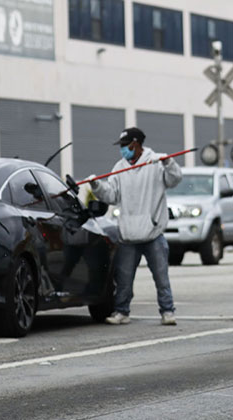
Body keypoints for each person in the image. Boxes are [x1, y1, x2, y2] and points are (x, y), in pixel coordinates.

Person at [90, 127, 182, 326]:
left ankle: (167, 311)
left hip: (153, 234)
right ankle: (122, 311)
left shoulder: (155, 162)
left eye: (125, 145)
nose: (122, 150)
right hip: (128, 235)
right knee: (124, 279)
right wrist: (97, 186)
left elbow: (175, 179)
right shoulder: (119, 167)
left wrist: (168, 163)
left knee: (161, 277)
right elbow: (112, 195)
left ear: (136, 144)